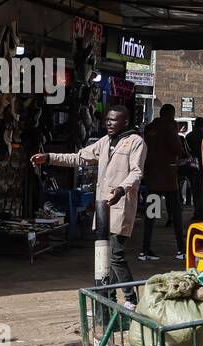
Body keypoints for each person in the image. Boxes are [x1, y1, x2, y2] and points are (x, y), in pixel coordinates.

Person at [31, 105, 145, 307]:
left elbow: (136, 173)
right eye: (108, 119)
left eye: (114, 120)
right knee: (105, 257)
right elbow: (79, 158)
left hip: (121, 205)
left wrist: (121, 189)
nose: (109, 123)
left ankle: (131, 299)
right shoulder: (104, 142)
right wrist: (48, 157)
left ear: (125, 122)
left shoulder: (135, 142)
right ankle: (107, 298)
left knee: (116, 255)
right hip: (103, 207)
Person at [140, 103, 185, 261]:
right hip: (168, 180)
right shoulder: (168, 127)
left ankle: (144, 251)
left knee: (151, 216)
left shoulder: (149, 128)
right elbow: (178, 149)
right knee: (176, 215)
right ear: (170, 114)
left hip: (153, 179)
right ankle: (181, 250)